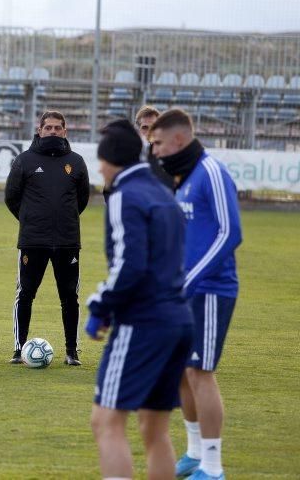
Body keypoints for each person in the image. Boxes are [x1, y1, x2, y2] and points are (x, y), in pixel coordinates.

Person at [85, 119, 193, 480]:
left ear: (111, 160)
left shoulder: (123, 195)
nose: (99, 168)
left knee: (106, 422)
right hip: (179, 321)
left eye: (100, 161)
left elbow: (129, 266)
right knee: (155, 428)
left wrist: (99, 306)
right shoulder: (165, 193)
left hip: (144, 323)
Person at [150, 109, 242, 480]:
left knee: (201, 373)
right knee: (184, 373)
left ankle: (214, 467)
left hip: (210, 291)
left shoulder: (211, 172)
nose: (153, 150)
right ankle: (193, 453)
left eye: (157, 143)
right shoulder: (181, 178)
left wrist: (189, 281)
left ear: (178, 139)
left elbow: (229, 233)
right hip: (183, 291)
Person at [4, 110, 90, 365]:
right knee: (26, 293)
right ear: (39, 130)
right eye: (48, 127)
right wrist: (32, 219)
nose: (52, 131)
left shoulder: (76, 162)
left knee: (69, 296)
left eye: (57, 128)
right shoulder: (25, 160)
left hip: (67, 241)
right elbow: (11, 197)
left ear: (65, 131)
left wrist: (64, 219)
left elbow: (82, 200)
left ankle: (72, 351)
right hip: (33, 240)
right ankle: (19, 350)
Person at [134, 105, 174, 189]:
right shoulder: (127, 155)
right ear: (138, 130)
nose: (149, 132)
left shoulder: (169, 159)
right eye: (145, 127)